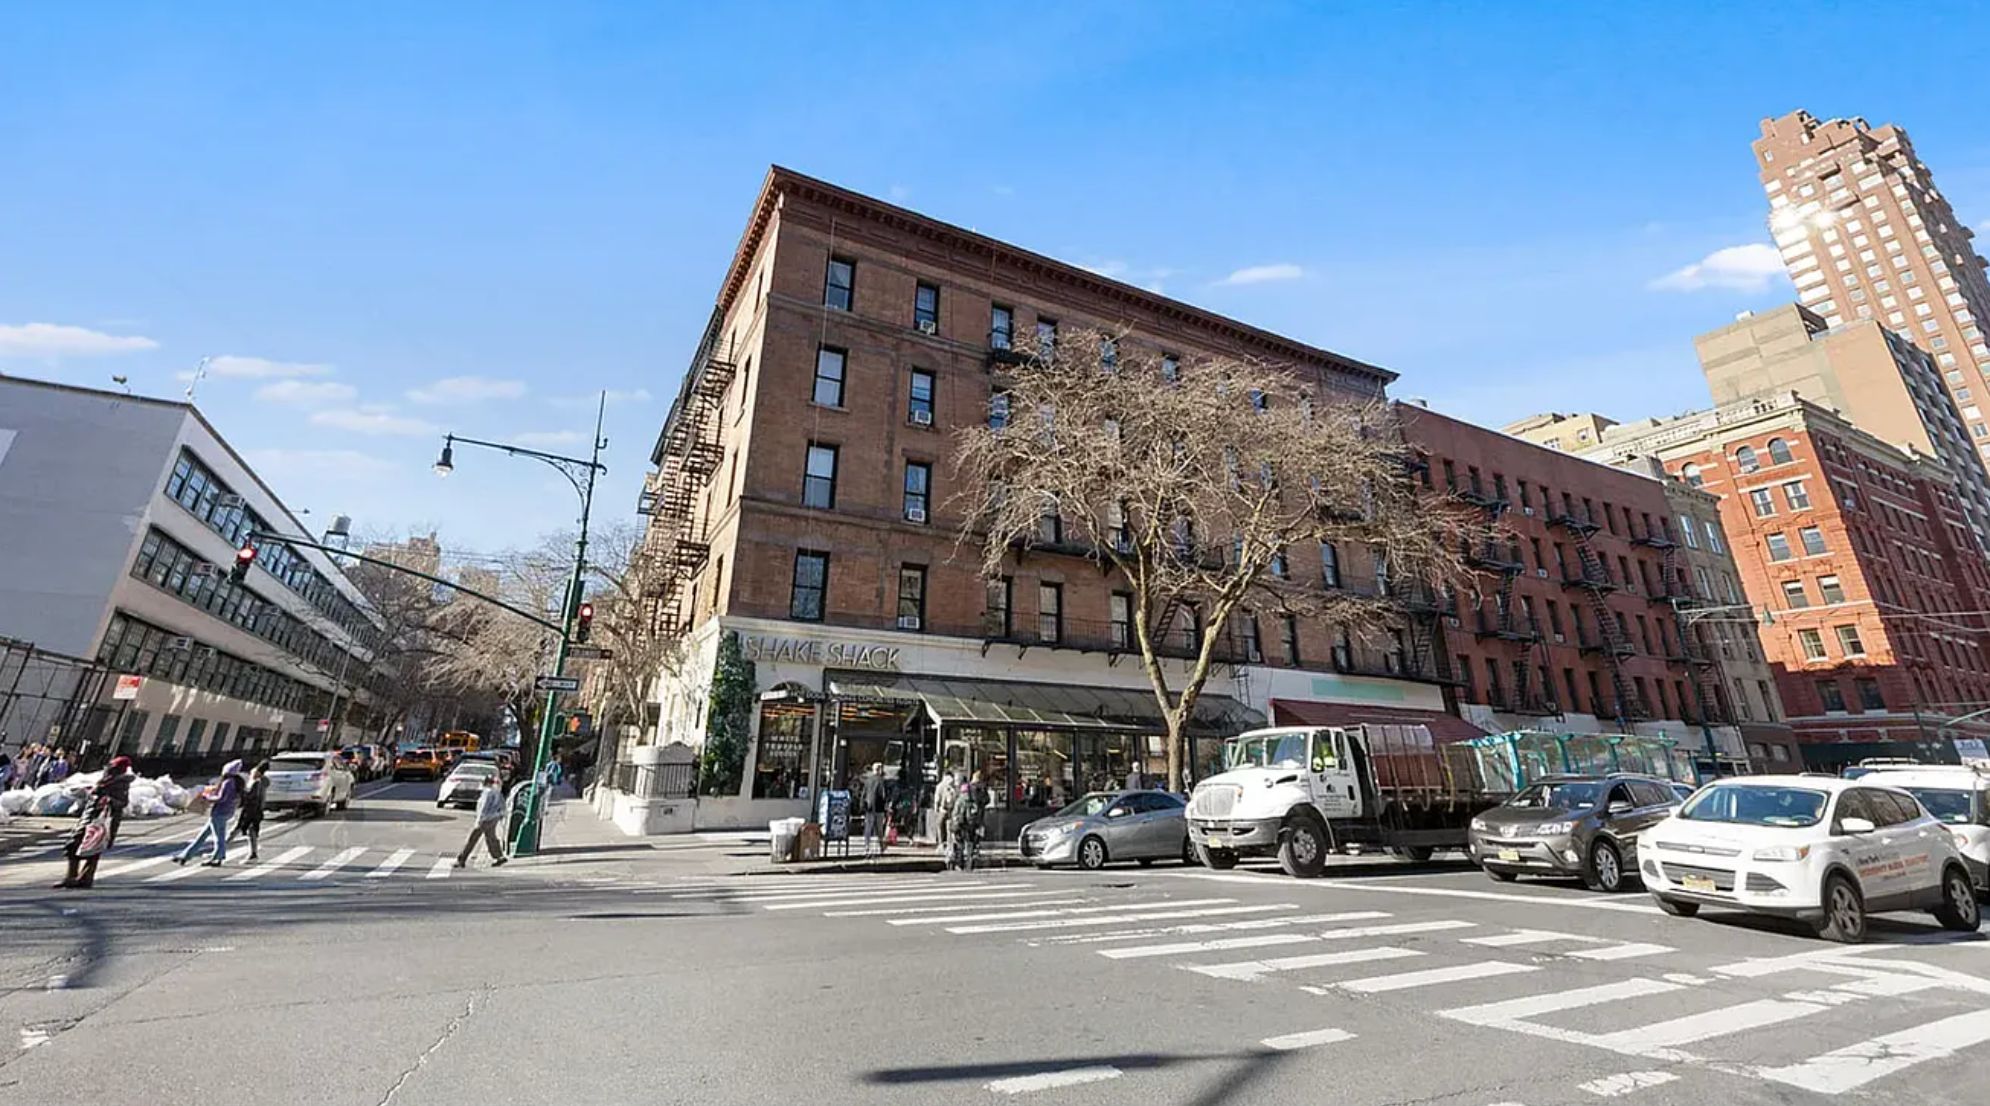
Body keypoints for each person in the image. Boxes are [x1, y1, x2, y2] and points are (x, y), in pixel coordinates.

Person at [57, 756, 132, 890]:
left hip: (101, 820)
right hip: (91, 816)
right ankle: (74, 876)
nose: (108, 770)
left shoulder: (119, 784)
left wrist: (107, 801)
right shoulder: (107, 781)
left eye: (112, 768)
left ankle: (83, 878)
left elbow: (121, 803)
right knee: (74, 846)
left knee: (90, 848)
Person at [174, 759, 245, 867]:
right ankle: (185, 856)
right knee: (202, 836)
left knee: (218, 837)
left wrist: (207, 797)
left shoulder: (227, 783)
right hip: (226, 812)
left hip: (219, 813)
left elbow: (221, 798)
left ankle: (217, 858)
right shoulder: (237, 782)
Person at [455, 773, 509, 868]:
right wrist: (500, 816)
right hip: (493, 818)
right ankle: (499, 857)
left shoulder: (487, 792)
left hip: (485, 819)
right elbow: (503, 807)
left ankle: (462, 859)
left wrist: (479, 820)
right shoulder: (497, 792)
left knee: (472, 838)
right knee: (491, 837)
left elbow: (483, 808)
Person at [949, 770, 986, 872]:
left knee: (959, 843)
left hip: (961, 821)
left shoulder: (961, 798)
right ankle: (969, 864)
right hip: (972, 822)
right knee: (970, 843)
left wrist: (954, 822)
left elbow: (956, 810)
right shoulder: (978, 795)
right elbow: (985, 801)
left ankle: (959, 863)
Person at [234, 761, 269, 861]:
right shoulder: (260, 782)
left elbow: (252, 797)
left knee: (237, 829)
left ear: (258, 772)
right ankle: (253, 853)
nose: (251, 774)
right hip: (256, 810)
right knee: (251, 831)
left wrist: (242, 792)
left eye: (253, 772)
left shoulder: (257, 783)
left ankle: (219, 851)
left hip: (251, 810)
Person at [861, 762, 889, 856]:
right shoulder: (881, 781)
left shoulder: (868, 781)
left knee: (868, 828)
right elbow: (883, 795)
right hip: (879, 807)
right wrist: (886, 806)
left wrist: (863, 806)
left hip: (869, 808)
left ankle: (866, 847)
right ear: (879, 770)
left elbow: (864, 794)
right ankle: (881, 847)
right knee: (879, 829)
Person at [933, 769, 957, 856]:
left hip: (943, 810)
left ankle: (941, 845)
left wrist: (936, 808)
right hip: (952, 810)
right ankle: (950, 846)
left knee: (940, 826)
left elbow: (937, 798)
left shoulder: (940, 785)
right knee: (950, 829)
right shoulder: (953, 785)